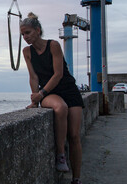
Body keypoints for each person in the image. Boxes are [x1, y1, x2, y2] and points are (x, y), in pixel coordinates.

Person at [21, 12, 84, 184]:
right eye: (23, 34)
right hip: (50, 93)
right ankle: (60, 154)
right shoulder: (27, 52)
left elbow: (58, 74)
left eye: (28, 32)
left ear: (38, 30)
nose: (25, 37)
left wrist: (40, 94)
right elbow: (33, 77)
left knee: (74, 136)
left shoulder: (53, 45)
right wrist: (36, 100)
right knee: (60, 108)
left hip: (68, 89)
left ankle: (76, 179)